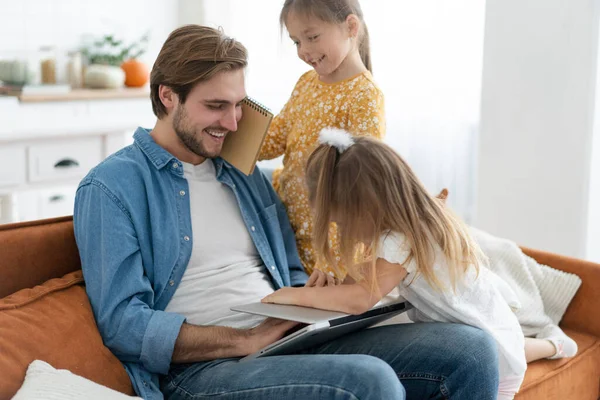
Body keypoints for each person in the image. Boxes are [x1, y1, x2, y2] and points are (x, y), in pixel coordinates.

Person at [74, 25, 500, 400]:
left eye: (239, 104)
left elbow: (286, 265)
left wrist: (310, 292)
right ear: (168, 96)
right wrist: (240, 340)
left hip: (288, 337)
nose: (236, 122)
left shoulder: (240, 170)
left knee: (471, 351)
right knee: (371, 382)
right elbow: (123, 324)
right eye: (216, 106)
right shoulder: (111, 187)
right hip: (203, 371)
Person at [262, 129, 533, 399]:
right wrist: (323, 294)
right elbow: (356, 285)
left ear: (364, 208)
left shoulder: (398, 241)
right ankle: (551, 345)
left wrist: (294, 294)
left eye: (342, 222)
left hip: (489, 364)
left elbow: (359, 299)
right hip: (498, 344)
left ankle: (550, 346)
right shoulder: (412, 225)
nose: (343, 230)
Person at [259, 0, 385, 275]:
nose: (304, 51)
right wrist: (229, 130)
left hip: (330, 245)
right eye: (296, 42)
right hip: (287, 227)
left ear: (351, 27)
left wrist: (334, 260)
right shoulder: (306, 83)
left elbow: (361, 181)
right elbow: (275, 138)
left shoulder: (364, 95)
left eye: (312, 37)